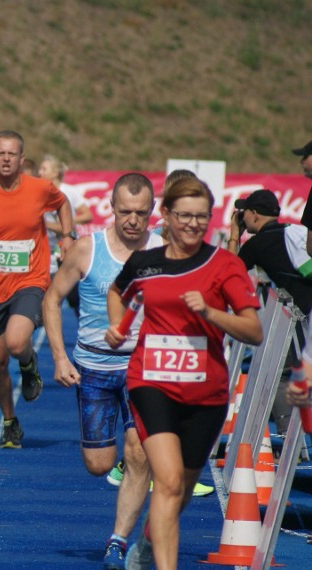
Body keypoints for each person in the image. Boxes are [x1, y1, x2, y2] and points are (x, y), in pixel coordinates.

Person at [104, 177, 262, 569]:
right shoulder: (145, 262)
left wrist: (210, 312)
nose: (193, 224)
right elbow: (116, 291)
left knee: (181, 490)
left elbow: (254, 331)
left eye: (201, 217)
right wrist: (116, 328)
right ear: (167, 216)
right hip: (150, 382)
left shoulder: (225, 264)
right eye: (185, 216)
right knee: (169, 481)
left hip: (205, 394)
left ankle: (146, 543)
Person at [42, 173, 161, 568]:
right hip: (92, 367)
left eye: (141, 213)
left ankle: (118, 541)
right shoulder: (86, 250)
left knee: (139, 452)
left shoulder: (164, 250)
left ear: (152, 211)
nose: (132, 220)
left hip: (141, 370)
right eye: (125, 211)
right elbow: (52, 298)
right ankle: (133, 471)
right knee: (98, 465)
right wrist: (59, 356)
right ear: (111, 208)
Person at [0, 130, 74, 448]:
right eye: (1, 153)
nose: (7, 158)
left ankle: (28, 364)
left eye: (12, 154)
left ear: (22, 159)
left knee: (15, 341)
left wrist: (66, 236)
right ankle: (10, 421)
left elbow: (63, 204)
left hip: (31, 281)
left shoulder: (39, 189)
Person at [228, 188, 312, 435]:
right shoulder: (294, 231)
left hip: (303, 316)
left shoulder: (258, 244)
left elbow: (229, 276)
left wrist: (235, 236)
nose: (241, 218)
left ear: (254, 214)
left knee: (279, 376)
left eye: (243, 213)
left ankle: (288, 439)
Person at [38, 154, 93, 316]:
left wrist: (66, 220)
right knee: (46, 298)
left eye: (44, 169)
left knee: (73, 297)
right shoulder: (38, 191)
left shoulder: (69, 191)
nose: (39, 173)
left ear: (55, 173)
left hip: (66, 249)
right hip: (45, 250)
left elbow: (87, 215)